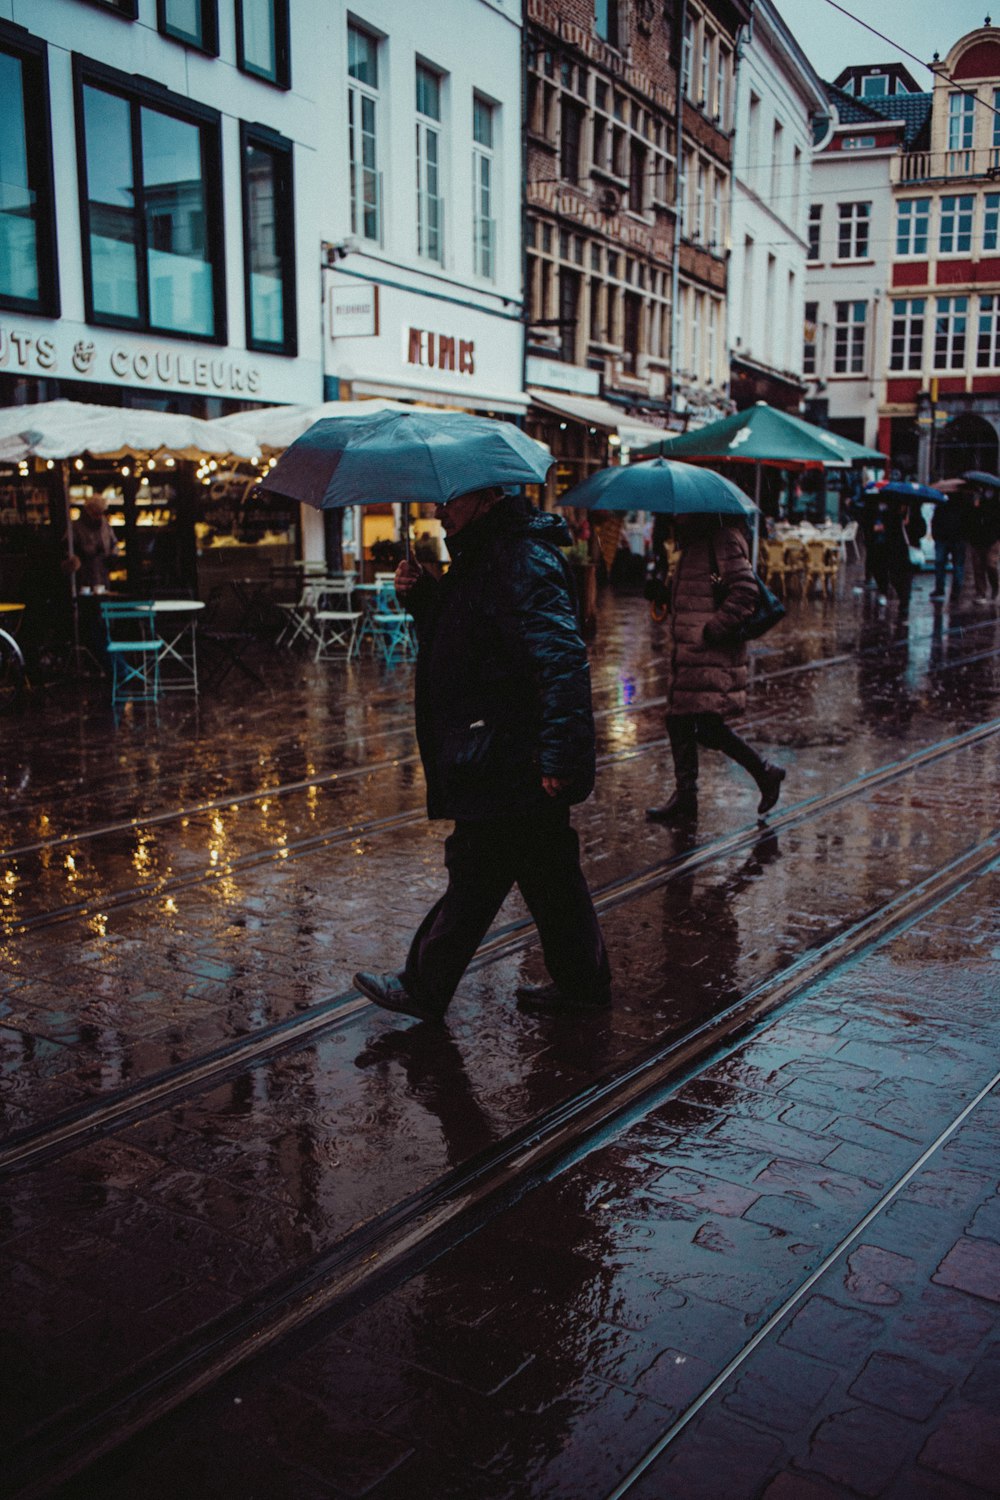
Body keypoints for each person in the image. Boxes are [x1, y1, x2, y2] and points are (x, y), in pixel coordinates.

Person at [353, 486, 611, 1021]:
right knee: (547, 872)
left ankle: (424, 986)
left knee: (477, 868)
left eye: (449, 501)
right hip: (499, 744)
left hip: (510, 749)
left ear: (487, 498)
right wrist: (424, 595)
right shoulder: (486, 555)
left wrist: (560, 757)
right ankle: (583, 985)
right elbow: (468, 639)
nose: (437, 509)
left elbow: (560, 663)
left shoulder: (520, 559)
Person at [646, 512, 785, 826]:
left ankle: (762, 774)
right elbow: (698, 596)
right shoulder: (693, 543)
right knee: (683, 722)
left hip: (710, 653)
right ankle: (688, 796)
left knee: (701, 724)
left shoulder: (721, 540)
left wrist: (712, 630)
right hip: (690, 654)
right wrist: (662, 594)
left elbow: (745, 592)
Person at [865, 492, 924, 618]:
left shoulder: (915, 515)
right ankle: (901, 597)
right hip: (894, 551)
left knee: (906, 578)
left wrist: (910, 525)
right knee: (895, 578)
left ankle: (904, 604)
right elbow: (888, 530)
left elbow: (921, 531)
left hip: (908, 552)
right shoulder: (891, 514)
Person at [69, 493, 119, 593]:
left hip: (103, 570)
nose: (99, 516)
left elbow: (113, 542)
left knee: (103, 596)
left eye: (101, 513)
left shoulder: (104, 524)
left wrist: (113, 555)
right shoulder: (76, 527)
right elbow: (72, 549)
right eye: (96, 513)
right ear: (89, 511)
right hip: (84, 573)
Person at [930, 486, 967, 603]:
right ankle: (954, 591)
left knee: (942, 564)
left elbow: (934, 521)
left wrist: (936, 535)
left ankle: (941, 589)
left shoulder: (942, 505)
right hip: (955, 539)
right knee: (956, 566)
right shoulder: (963, 506)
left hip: (947, 539)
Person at [964, 485, 1000, 603]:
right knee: (978, 568)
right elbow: (969, 519)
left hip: (993, 540)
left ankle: (995, 588)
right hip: (977, 539)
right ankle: (981, 593)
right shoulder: (976, 504)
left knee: (991, 564)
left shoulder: (996, 505)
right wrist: (975, 508)